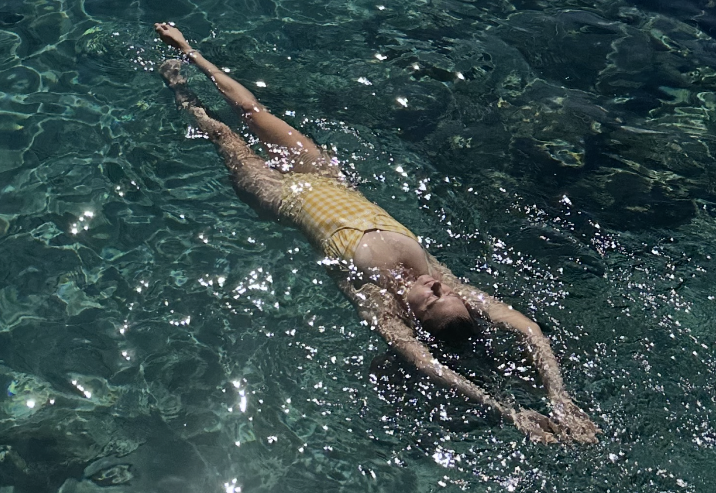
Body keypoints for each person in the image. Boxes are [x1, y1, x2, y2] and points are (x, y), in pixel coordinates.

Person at [154, 23, 598, 445]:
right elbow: (530, 332)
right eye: (448, 291)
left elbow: (421, 362)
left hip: (280, 196)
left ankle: (177, 85)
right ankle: (191, 52)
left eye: (434, 297)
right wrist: (559, 398)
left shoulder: (377, 299)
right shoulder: (442, 279)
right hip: (326, 177)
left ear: (417, 317)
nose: (438, 283)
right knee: (253, 112)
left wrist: (508, 411)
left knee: (220, 131)